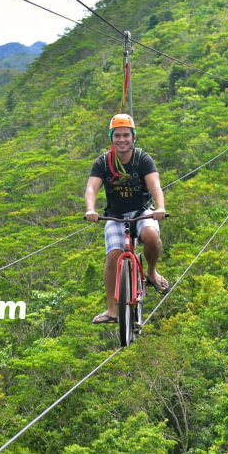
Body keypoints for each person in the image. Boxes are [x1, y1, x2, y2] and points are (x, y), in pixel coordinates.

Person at [84, 114, 169, 324]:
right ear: (111, 138)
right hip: (116, 215)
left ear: (133, 137)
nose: (122, 140)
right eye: (117, 136)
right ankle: (112, 310)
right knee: (114, 255)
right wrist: (90, 209)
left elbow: (155, 186)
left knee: (150, 235)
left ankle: (151, 272)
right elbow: (91, 188)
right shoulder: (103, 162)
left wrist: (160, 207)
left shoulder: (142, 159)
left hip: (142, 211)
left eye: (126, 135)